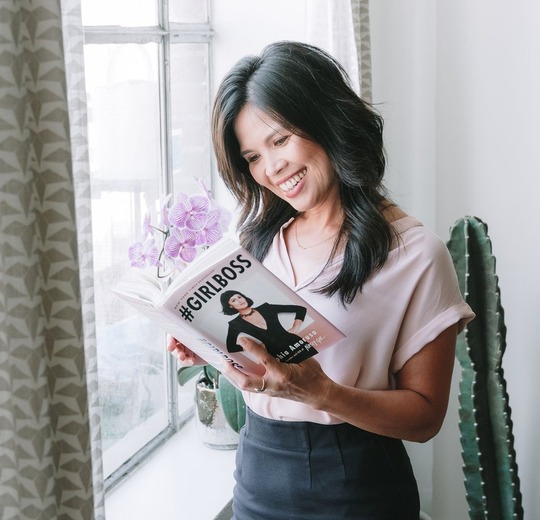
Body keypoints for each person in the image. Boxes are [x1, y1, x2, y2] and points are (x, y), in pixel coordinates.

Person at [168, 41, 474, 519]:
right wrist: (206, 342)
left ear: (328, 121)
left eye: (280, 140)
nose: (271, 169)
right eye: (252, 157)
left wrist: (322, 393)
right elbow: (259, 362)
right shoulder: (253, 241)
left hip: (358, 484)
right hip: (258, 475)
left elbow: (425, 418)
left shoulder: (416, 255)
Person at [220, 289, 316, 364]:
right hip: (276, 355)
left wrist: (295, 327)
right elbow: (231, 347)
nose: (239, 300)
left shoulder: (266, 307)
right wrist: (256, 347)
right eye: (234, 300)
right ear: (230, 306)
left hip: (296, 343)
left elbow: (301, 309)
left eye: (239, 297)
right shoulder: (235, 323)